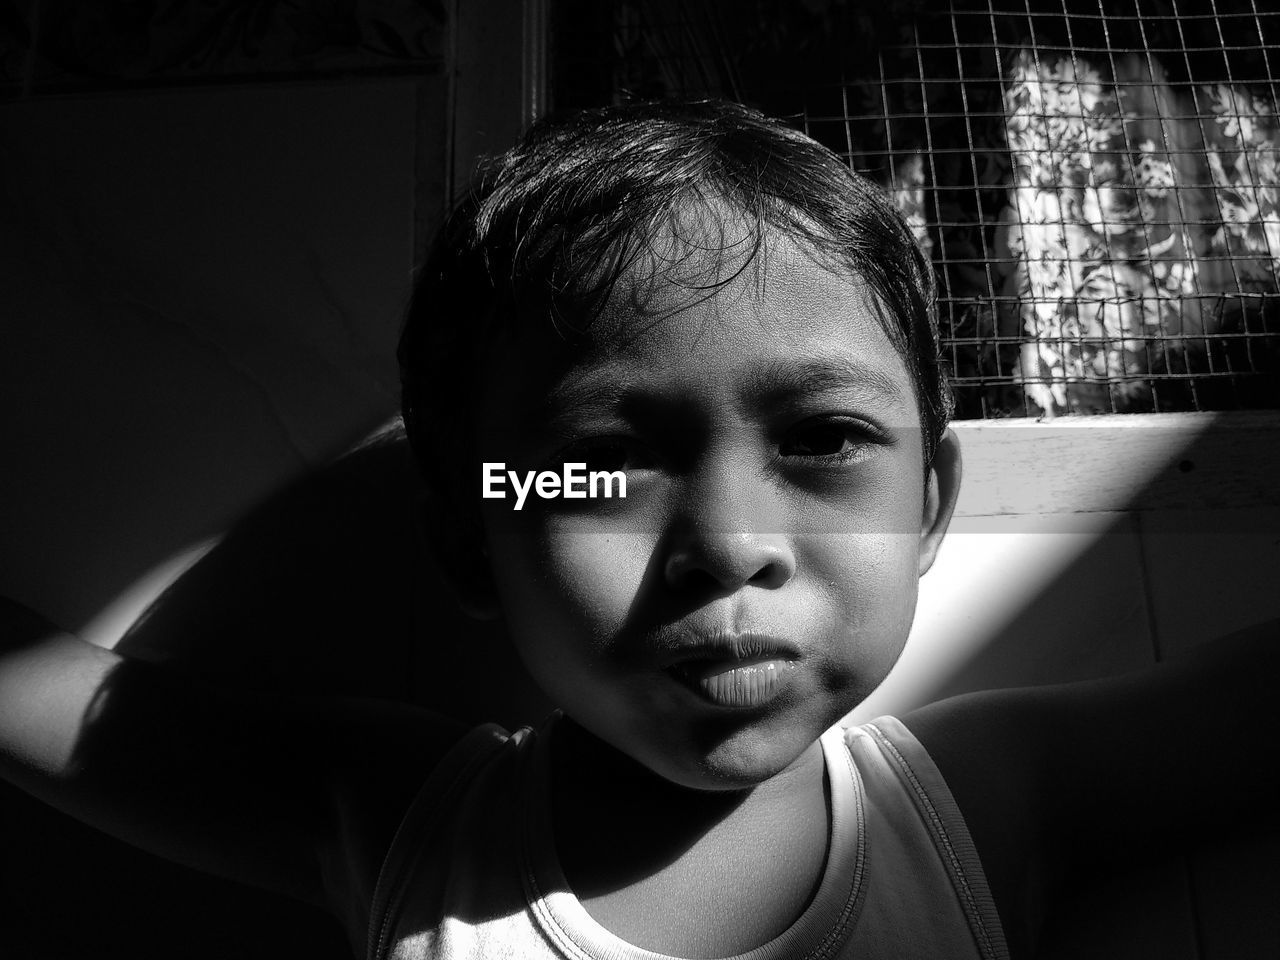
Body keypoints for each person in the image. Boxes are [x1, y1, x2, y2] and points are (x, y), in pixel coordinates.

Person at [0, 99, 1276, 960]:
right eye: (600, 464)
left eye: (822, 441)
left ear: (929, 503)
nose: (725, 545)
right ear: (470, 540)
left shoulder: (976, 804)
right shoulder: (402, 823)